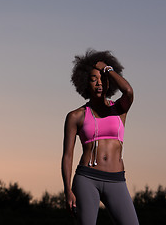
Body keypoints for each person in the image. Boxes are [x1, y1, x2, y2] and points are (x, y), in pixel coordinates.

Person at [61, 49, 139, 225]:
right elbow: (67, 155)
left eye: (102, 79)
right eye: (93, 79)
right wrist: (67, 190)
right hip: (87, 179)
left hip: (117, 179)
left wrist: (107, 69)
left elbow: (128, 91)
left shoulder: (119, 109)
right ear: (85, 83)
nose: (99, 83)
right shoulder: (76, 116)